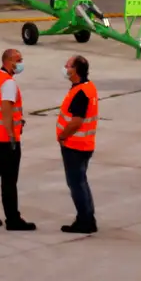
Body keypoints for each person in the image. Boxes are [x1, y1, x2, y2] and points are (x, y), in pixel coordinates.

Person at [0, 48, 36, 230]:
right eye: (18, 60)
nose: (21, 63)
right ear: (9, 62)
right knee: (9, 180)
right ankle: (13, 218)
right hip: (4, 139)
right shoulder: (8, 83)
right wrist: (12, 135)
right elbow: (5, 109)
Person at [57, 54, 99, 234]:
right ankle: (88, 217)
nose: (65, 68)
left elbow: (76, 121)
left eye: (67, 65)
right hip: (85, 144)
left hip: (75, 145)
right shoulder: (88, 88)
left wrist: (62, 136)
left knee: (76, 184)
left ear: (75, 70)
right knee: (81, 182)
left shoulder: (81, 92)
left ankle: (85, 220)